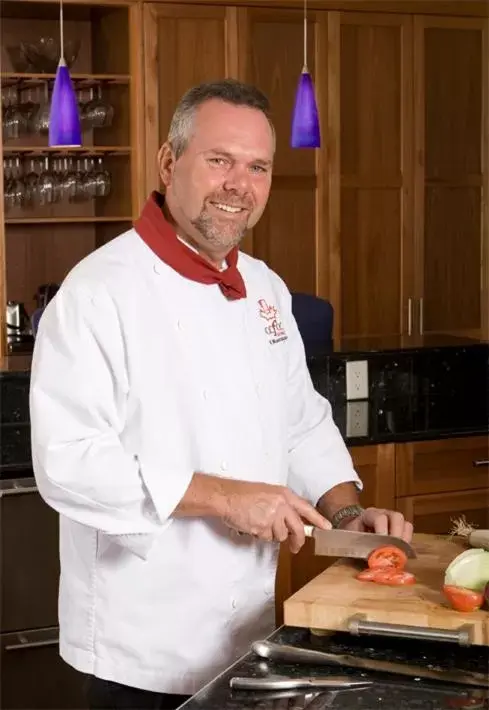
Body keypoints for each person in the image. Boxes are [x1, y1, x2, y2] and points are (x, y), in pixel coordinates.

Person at [29, 79, 413, 710]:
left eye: (257, 166)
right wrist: (225, 497)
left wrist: (349, 517)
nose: (240, 184)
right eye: (220, 160)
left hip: (246, 635)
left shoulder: (264, 286)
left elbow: (299, 420)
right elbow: (68, 462)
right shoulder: (98, 291)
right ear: (168, 162)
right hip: (140, 646)